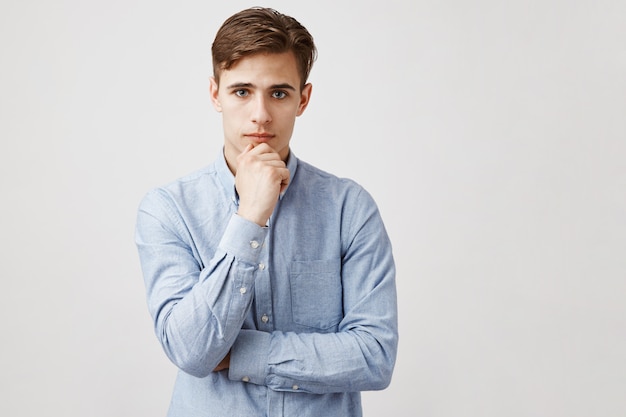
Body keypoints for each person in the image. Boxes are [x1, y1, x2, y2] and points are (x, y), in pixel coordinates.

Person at [135, 7, 398, 417]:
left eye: (278, 93)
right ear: (214, 94)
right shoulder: (168, 209)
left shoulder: (349, 207)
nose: (260, 114)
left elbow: (375, 355)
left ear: (303, 99)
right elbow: (190, 351)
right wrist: (251, 215)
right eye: (242, 91)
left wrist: (239, 355)